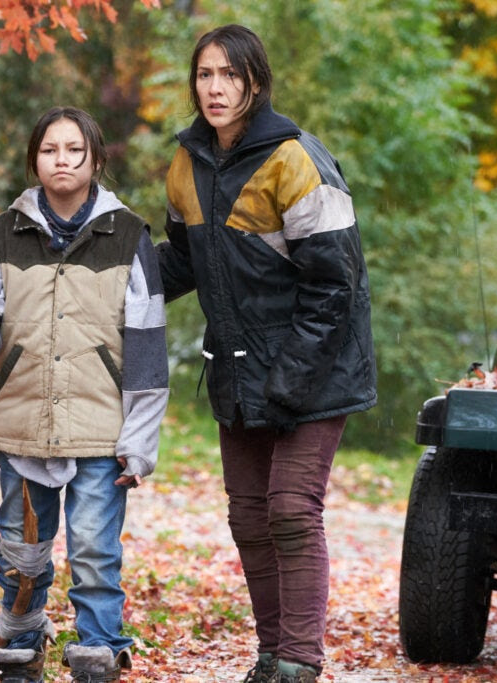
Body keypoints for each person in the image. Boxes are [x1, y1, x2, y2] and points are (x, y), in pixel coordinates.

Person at [155, 25, 377, 683]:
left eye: (229, 74)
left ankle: (300, 662)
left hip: (315, 368)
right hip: (238, 367)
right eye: (205, 74)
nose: (215, 87)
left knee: (290, 510)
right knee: (249, 517)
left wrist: (289, 380)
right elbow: (180, 263)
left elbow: (335, 285)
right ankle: (271, 655)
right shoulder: (187, 164)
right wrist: (99, 277)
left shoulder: (294, 158)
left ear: (255, 81)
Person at [0, 106, 169, 683]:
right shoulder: (3, 234)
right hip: (21, 424)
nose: (61, 160)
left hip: (100, 429)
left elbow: (147, 348)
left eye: (74, 150)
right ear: (34, 160)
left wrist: (139, 441)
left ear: (95, 160)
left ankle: (98, 650)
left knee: (94, 548)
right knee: (21, 548)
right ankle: (21, 642)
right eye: (49, 150)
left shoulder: (129, 236)